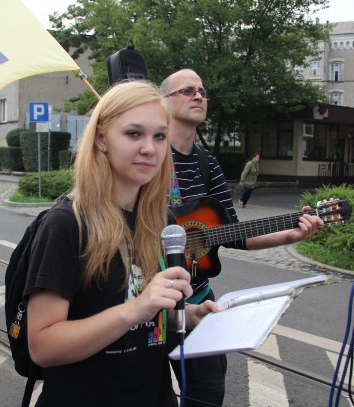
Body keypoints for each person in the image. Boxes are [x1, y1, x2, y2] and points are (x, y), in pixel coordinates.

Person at [24, 80, 221, 407]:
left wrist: (189, 315)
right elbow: (43, 346)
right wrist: (134, 309)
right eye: (134, 134)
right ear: (101, 139)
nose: (150, 148)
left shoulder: (162, 223)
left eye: (159, 136)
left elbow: (149, 320)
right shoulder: (66, 224)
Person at [161, 69, 324, 407]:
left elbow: (234, 234)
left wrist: (290, 234)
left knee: (208, 392)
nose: (199, 96)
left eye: (203, 91)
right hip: (148, 300)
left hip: (197, 300)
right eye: (188, 90)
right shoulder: (149, 155)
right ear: (164, 102)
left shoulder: (208, 164)